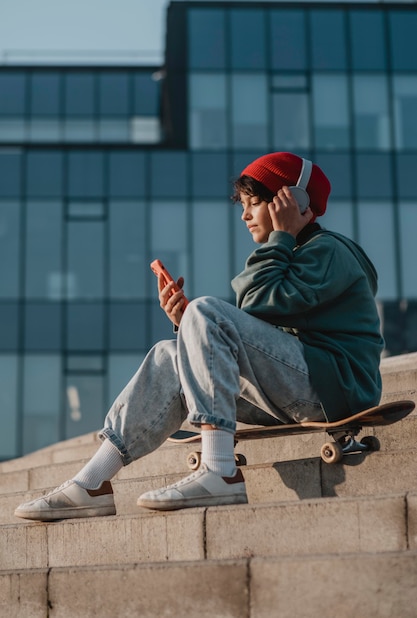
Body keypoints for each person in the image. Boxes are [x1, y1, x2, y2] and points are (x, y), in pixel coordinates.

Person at [14, 151, 384, 521]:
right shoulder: (290, 254)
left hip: (335, 386)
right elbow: (266, 322)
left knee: (206, 310)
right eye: (243, 205)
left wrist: (281, 239)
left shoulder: (328, 250)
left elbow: (256, 302)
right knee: (169, 353)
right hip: (299, 384)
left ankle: (220, 470)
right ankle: (92, 482)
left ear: (294, 202)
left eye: (254, 203)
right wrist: (188, 324)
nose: (244, 215)